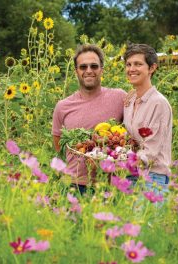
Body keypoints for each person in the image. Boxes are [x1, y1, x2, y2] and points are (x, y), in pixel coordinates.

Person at [52, 44, 127, 194]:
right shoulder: (63, 106)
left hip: (110, 184)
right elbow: (58, 145)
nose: (89, 71)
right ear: (76, 71)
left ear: (101, 70)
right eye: (83, 67)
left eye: (94, 66)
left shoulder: (120, 97)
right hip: (75, 185)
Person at [122, 43, 172, 194]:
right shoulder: (129, 101)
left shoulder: (159, 103)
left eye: (138, 64)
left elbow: (150, 153)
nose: (131, 69)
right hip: (131, 176)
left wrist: (115, 163)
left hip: (153, 178)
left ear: (152, 68)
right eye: (128, 64)